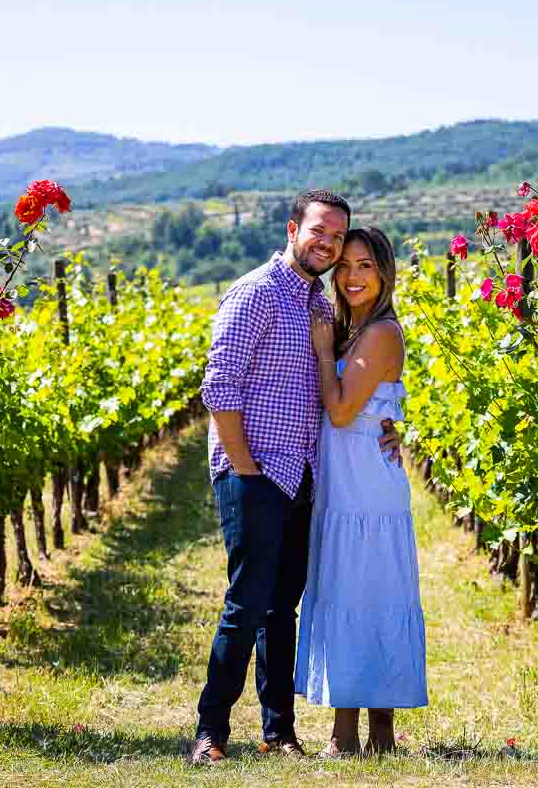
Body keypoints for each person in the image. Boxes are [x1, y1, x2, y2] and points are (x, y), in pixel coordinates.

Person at [192, 190, 401, 765]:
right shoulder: (255, 293)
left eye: (337, 237)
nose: (328, 244)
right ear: (293, 230)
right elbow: (219, 385)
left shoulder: (320, 306)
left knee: (282, 607)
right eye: (319, 232)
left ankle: (278, 731)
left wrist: (392, 426)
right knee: (246, 602)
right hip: (254, 469)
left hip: (303, 473)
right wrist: (242, 466)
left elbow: (363, 385)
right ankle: (211, 731)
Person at [296, 226, 427, 756]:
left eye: (365, 265)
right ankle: (362, 734)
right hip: (345, 483)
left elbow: (345, 409)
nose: (352, 276)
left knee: (369, 593)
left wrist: (325, 352)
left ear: (384, 273)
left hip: (367, 491)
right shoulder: (355, 331)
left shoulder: (379, 333)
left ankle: (366, 735)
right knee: (352, 593)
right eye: (345, 265)